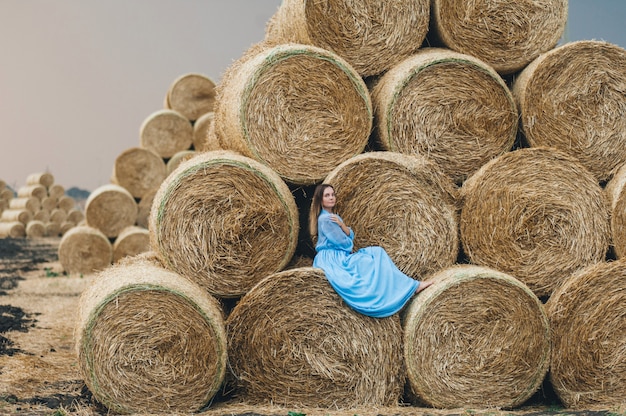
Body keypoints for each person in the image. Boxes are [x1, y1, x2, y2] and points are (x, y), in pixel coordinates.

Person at [309, 183, 433, 318]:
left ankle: (408, 287)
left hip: (336, 255)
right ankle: (412, 287)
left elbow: (349, 235)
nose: (332, 198)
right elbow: (342, 242)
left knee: (375, 254)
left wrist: (343, 226)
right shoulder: (326, 219)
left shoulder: (333, 217)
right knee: (375, 255)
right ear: (320, 199)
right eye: (327, 195)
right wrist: (347, 234)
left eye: (333, 195)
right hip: (334, 259)